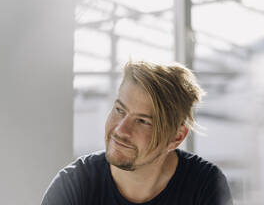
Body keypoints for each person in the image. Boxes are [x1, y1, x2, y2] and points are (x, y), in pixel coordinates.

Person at [41, 61, 233, 205]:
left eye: (142, 121)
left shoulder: (204, 185)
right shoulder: (73, 185)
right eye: (119, 110)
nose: (120, 130)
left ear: (176, 137)